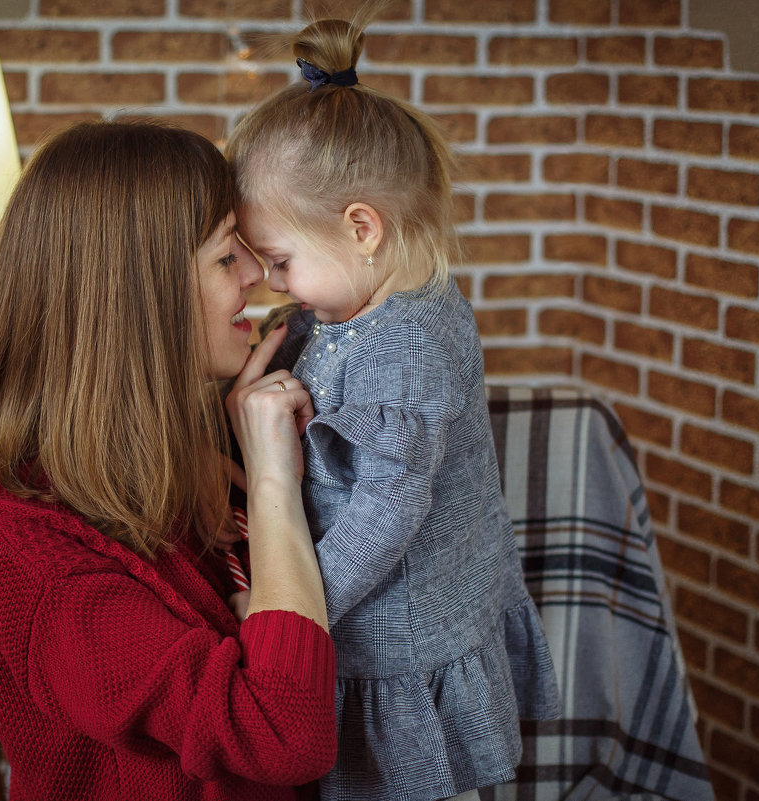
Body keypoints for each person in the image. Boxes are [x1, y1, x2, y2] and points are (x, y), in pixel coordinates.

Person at [0, 120, 337, 801]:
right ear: (142, 293)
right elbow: (281, 733)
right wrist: (270, 486)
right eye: (226, 256)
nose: (260, 274)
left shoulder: (213, 440)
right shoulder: (12, 538)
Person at [224, 6, 563, 801]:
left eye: (279, 260)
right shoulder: (347, 308)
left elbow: (385, 511)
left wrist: (289, 613)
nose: (272, 282)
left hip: (398, 635)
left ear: (362, 228)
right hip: (376, 623)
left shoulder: (408, 343)